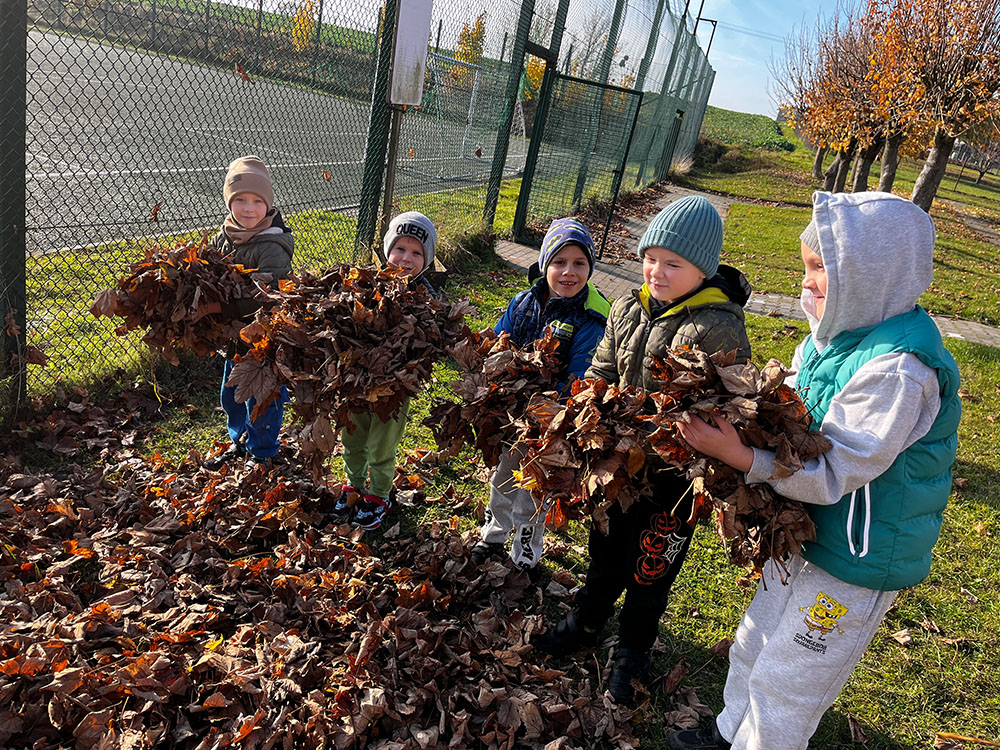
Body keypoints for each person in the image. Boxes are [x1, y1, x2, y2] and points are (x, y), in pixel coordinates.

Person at [667, 191, 961, 750]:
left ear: (872, 275)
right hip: (808, 528)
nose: (806, 283)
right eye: (805, 267)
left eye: (822, 269)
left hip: (857, 554)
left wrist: (742, 458)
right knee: (755, 640)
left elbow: (836, 470)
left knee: (792, 676)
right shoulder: (831, 340)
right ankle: (731, 734)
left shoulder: (899, 369)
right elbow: (793, 415)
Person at [531, 195, 753, 706]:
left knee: (651, 566)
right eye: (651, 258)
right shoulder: (629, 306)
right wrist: (586, 404)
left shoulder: (719, 325)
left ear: (704, 269)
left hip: (672, 477)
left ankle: (633, 649)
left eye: (673, 264)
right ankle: (587, 620)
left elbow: (716, 404)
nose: (656, 271)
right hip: (616, 465)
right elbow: (603, 368)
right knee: (606, 546)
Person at [469, 218, 611, 570]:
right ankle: (494, 533)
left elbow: (582, 374)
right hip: (512, 412)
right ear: (545, 263)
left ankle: (526, 551)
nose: (569, 272)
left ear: (590, 267)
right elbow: (500, 342)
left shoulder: (591, 317)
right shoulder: (524, 302)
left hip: (552, 420)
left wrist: (553, 412)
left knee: (536, 489)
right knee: (504, 476)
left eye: (579, 263)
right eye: (559, 262)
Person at [330, 211, 439, 531]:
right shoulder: (367, 285)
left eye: (417, 253)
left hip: (395, 386)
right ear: (387, 250)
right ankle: (354, 485)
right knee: (353, 434)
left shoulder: (427, 298)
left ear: (427, 259)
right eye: (400, 249)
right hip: (357, 380)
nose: (406, 259)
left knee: (382, 441)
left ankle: (378, 494)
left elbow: (431, 342)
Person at [205, 155, 293, 470]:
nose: (248, 209)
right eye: (240, 200)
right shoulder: (224, 236)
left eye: (257, 201)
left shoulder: (272, 245)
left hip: (265, 337)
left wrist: (215, 307)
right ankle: (239, 440)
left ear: (268, 205)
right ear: (229, 203)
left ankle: (263, 453)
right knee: (232, 396)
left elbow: (263, 299)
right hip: (234, 338)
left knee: (264, 398)